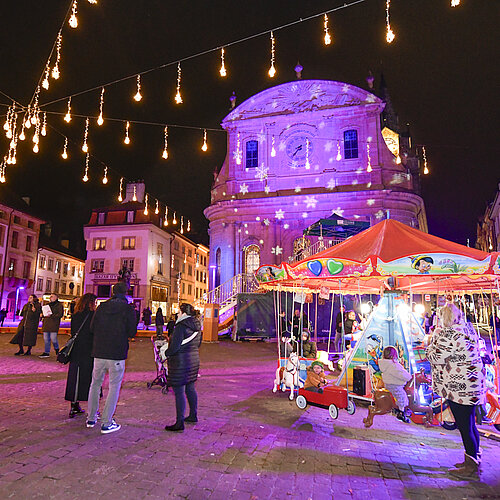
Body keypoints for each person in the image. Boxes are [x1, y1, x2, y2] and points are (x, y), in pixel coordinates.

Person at [426, 303, 486, 480]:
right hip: (473, 385)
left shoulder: (449, 334)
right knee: (470, 424)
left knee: (464, 426)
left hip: (459, 388)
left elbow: (434, 356)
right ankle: (474, 458)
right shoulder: (468, 330)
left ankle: (471, 466)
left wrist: (431, 342)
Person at [86, 282, 137, 434]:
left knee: (95, 384)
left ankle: (91, 417)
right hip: (116, 352)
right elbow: (132, 332)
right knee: (114, 386)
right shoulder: (128, 309)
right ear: (126, 292)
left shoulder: (101, 307)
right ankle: (107, 422)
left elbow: (92, 328)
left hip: (99, 351)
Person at [163, 303, 202, 432]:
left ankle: (179, 423)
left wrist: (166, 353)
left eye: (178, 313)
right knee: (190, 388)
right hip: (193, 361)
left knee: (179, 392)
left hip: (180, 363)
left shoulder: (181, 326)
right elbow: (198, 344)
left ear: (184, 313)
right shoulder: (197, 325)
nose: (177, 315)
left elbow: (174, 347)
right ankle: (193, 415)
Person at [64, 293, 97, 418]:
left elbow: (73, 332)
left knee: (75, 377)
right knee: (90, 379)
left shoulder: (76, 314)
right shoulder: (93, 315)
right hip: (88, 350)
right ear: (90, 303)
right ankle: (92, 408)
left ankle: (74, 404)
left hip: (76, 350)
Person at [378, 346, 412, 423]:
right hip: (395, 385)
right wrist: (409, 376)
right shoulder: (393, 365)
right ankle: (401, 413)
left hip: (388, 383)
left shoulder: (385, 364)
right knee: (402, 397)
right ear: (394, 355)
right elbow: (402, 375)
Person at [39, 293, 64, 358]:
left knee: (53, 339)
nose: (50, 297)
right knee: (46, 339)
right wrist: (42, 315)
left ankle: (57, 349)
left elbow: (60, 314)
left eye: (52, 296)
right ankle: (46, 352)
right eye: (50, 296)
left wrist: (51, 315)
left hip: (54, 324)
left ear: (56, 297)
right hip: (46, 324)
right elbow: (44, 313)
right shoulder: (47, 305)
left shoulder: (59, 305)